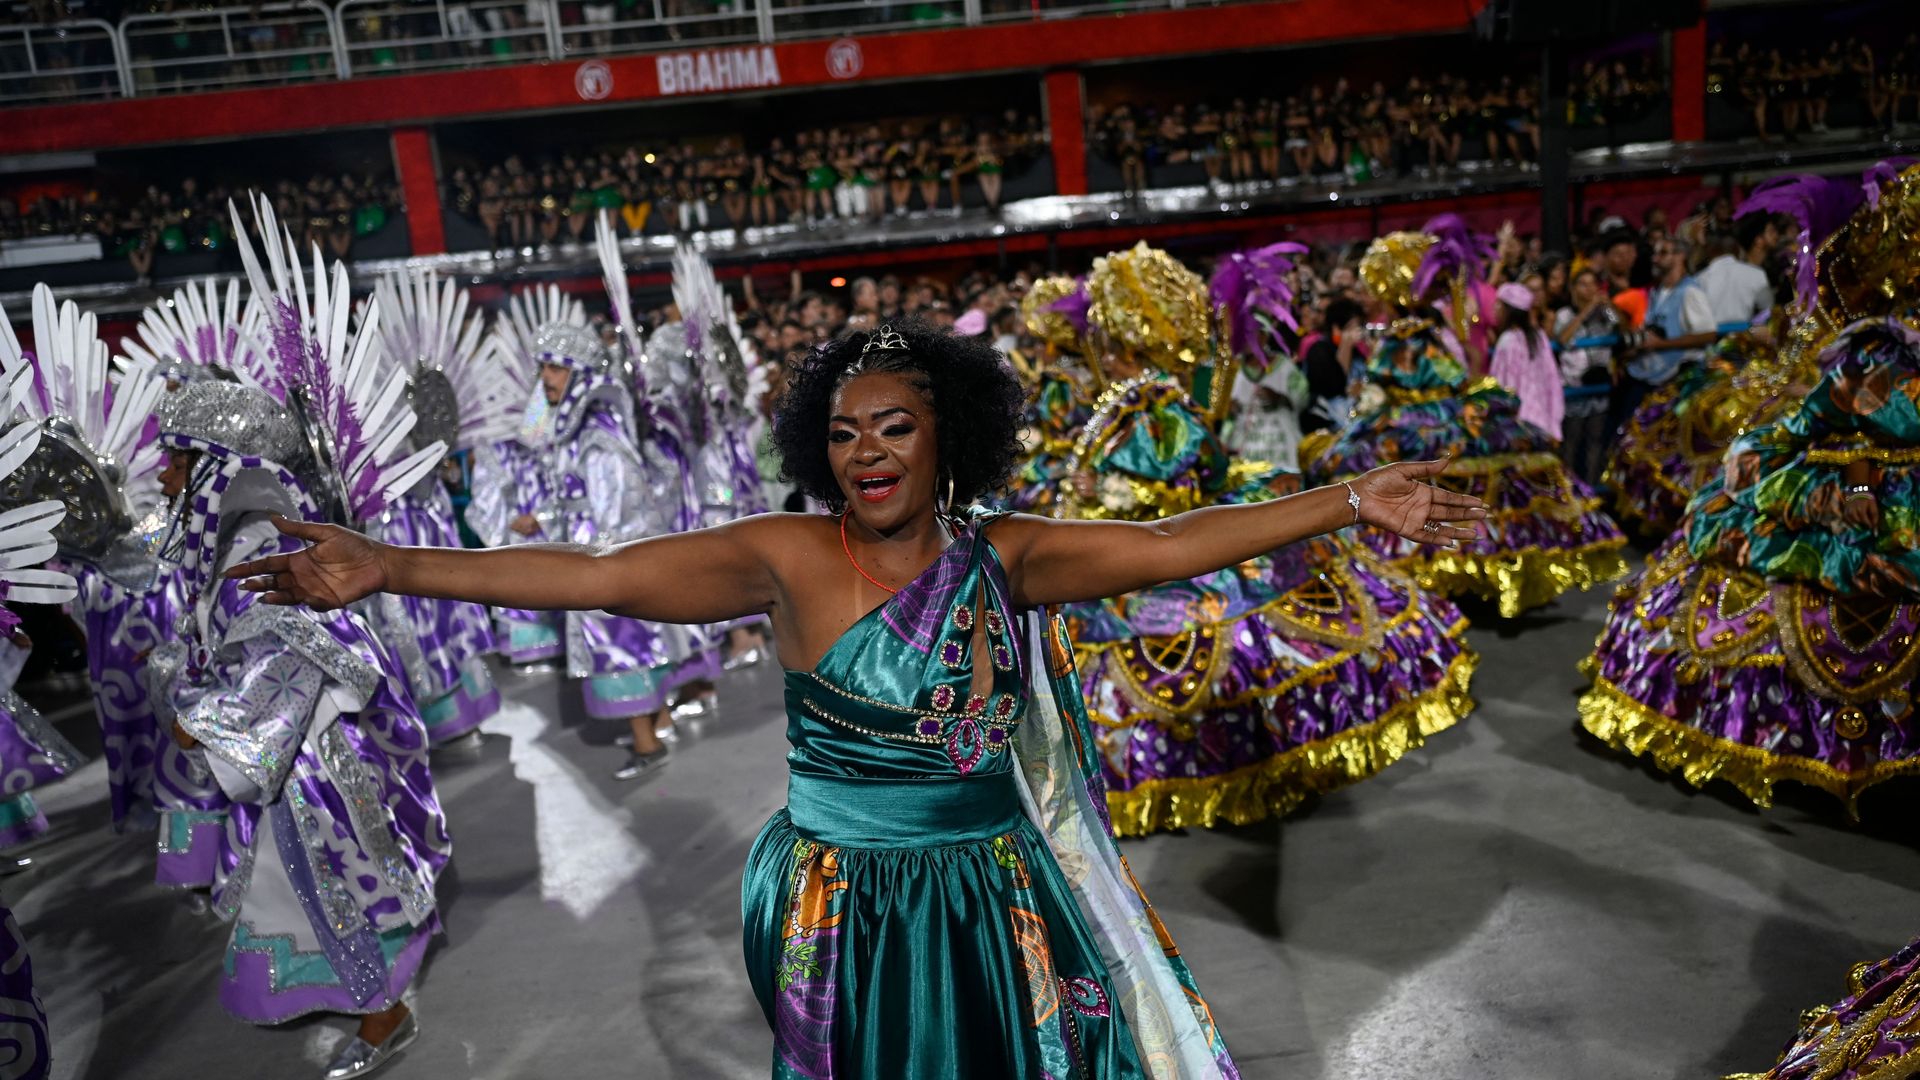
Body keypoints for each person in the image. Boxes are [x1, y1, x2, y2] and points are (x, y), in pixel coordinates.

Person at [228, 317, 1485, 1078]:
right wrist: (393, 564)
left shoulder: (1012, 558)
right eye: (843, 433)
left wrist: (1346, 498)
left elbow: (1168, 543)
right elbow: (601, 574)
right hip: (843, 902)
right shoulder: (784, 558)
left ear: (949, 439)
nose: (867, 452)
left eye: (894, 428)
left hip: (997, 894)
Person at [1552, 268, 1619, 488]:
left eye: (1593, 285)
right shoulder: (1564, 314)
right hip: (1574, 389)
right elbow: (1563, 339)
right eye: (1583, 284)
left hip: (1599, 388)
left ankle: (1591, 491)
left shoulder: (1605, 313)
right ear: (1573, 288)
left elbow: (1623, 330)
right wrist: (1586, 310)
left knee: (1596, 442)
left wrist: (1609, 307)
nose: (1589, 289)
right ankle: (1567, 492)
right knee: (1570, 443)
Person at [1488, 282, 1562, 440]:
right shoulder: (1539, 336)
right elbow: (1552, 378)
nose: (1494, 309)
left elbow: (1503, 384)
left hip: (1520, 421)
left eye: (1498, 305)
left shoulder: (1508, 341)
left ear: (1509, 311)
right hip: (1543, 416)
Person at [1693, 211, 1778, 328]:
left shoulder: (1699, 278)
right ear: (1737, 249)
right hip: (1745, 339)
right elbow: (1769, 311)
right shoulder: (1755, 273)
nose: (1777, 235)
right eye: (1772, 231)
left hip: (1710, 339)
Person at [1299, 295, 1365, 433]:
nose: (1356, 332)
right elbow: (1334, 386)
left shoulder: (1358, 353)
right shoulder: (1319, 350)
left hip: (1355, 420)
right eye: (1351, 327)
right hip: (1325, 423)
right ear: (1336, 328)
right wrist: (1345, 346)